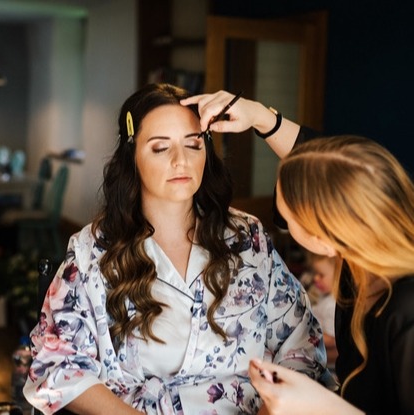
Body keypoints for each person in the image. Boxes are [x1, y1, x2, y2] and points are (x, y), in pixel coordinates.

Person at [23, 83, 333, 414]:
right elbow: (54, 368)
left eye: (193, 145)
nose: (180, 161)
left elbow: (302, 346)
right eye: (160, 148)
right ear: (133, 158)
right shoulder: (92, 251)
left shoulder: (247, 237)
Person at [181, 90, 414, 414]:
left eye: (286, 219)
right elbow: (329, 170)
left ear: (325, 241)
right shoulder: (356, 266)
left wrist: (318, 404)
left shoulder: (406, 313)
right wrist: (260, 117)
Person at [306, 252, 338, 368]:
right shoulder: (324, 297)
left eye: (321, 275)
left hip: (328, 363)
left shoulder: (332, 305)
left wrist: (305, 337)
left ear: (338, 276)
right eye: (315, 273)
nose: (315, 278)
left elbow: (332, 339)